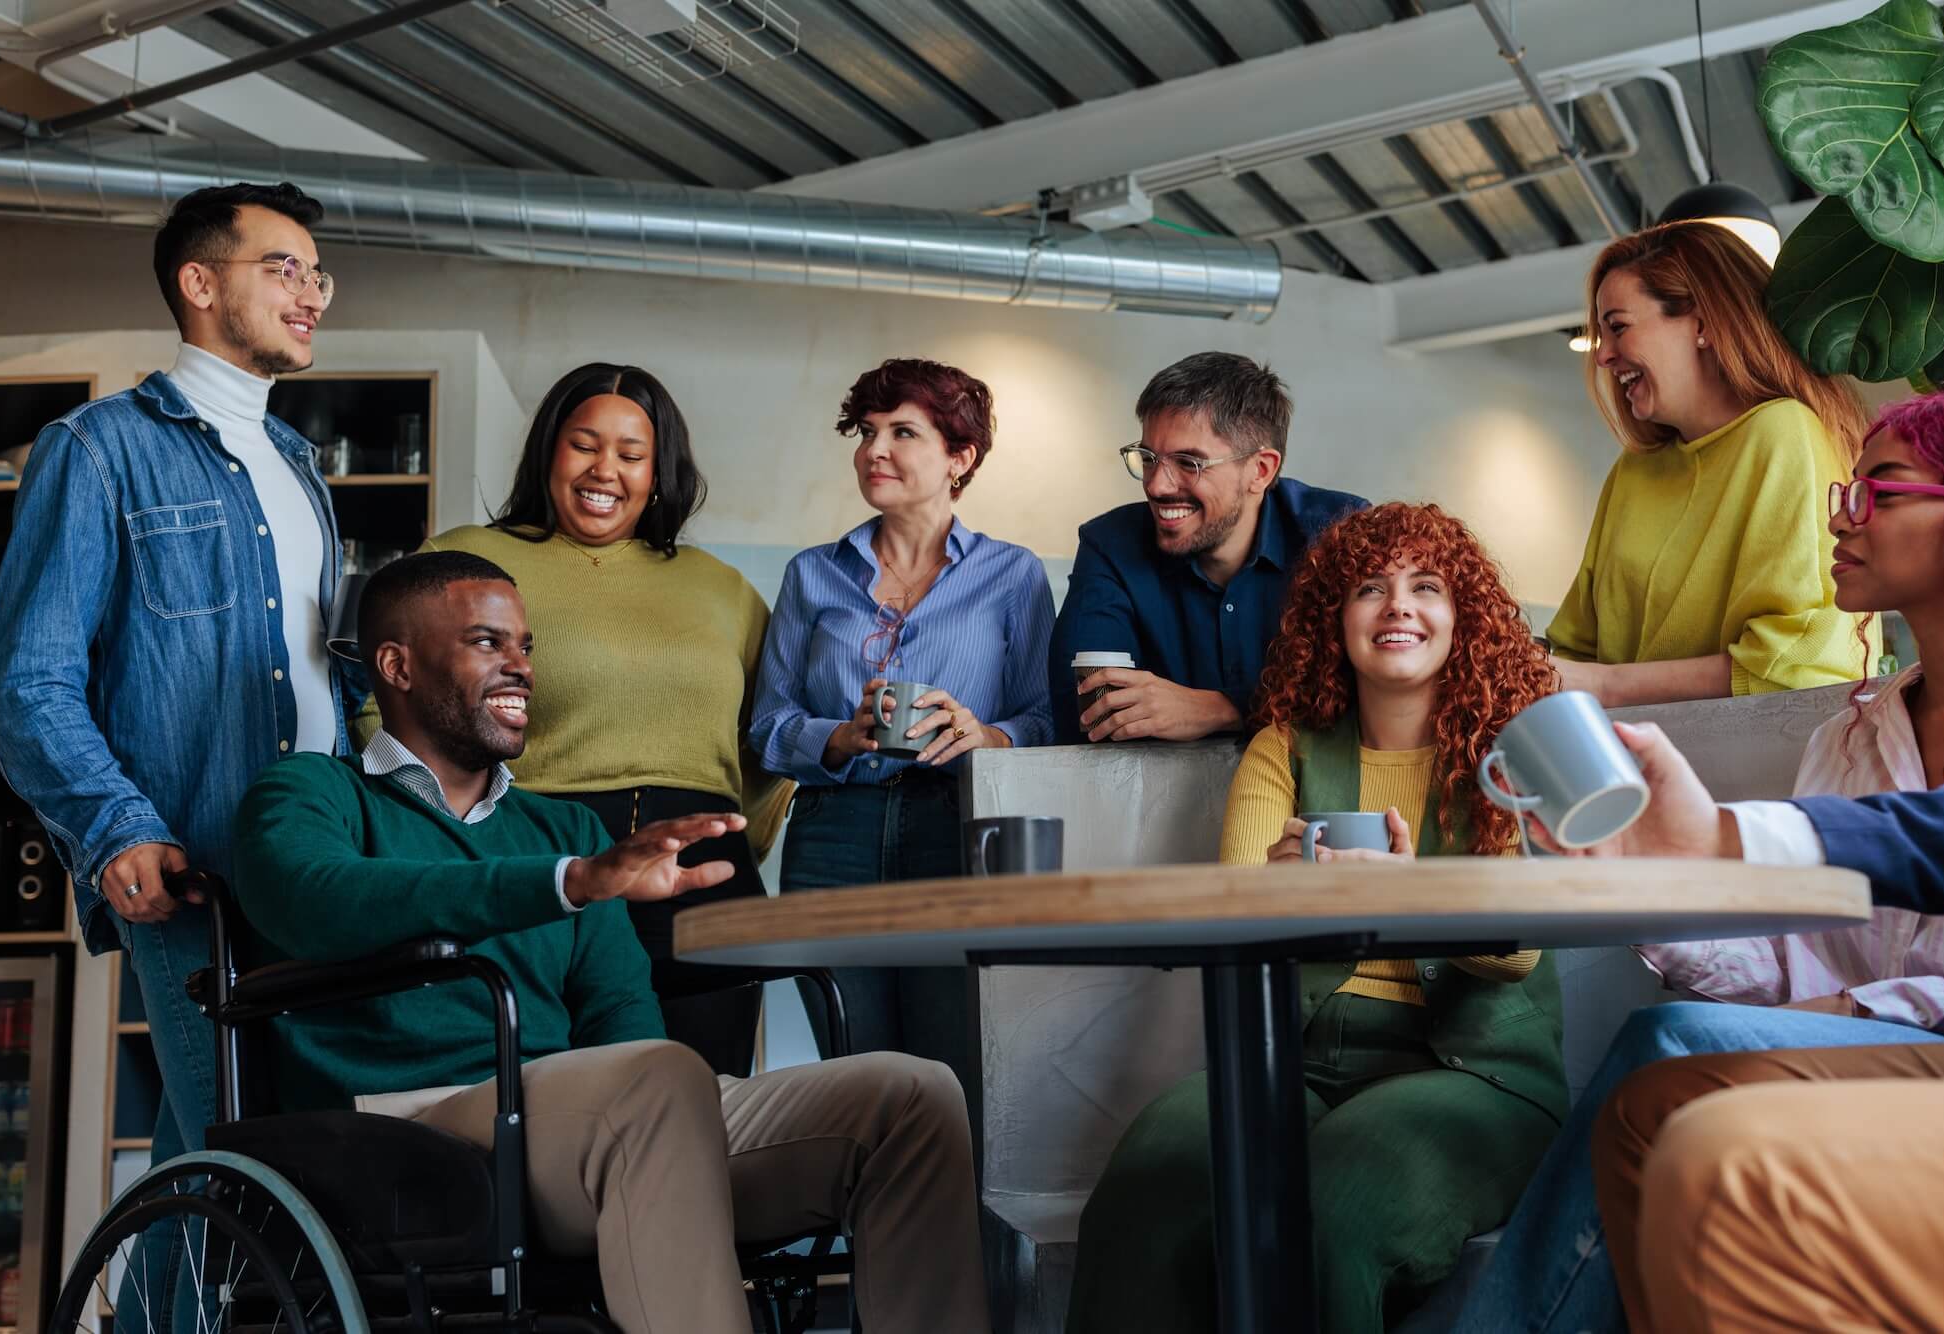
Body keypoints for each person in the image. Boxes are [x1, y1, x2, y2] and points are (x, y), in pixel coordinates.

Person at [232, 551, 990, 1333]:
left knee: (910, 1095)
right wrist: (564, 883)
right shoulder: (309, 794)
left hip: (599, 1117)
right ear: (397, 664)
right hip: (415, 1127)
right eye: (488, 644)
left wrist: (578, 886)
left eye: (526, 647)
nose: (520, 668)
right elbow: (314, 902)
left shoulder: (562, 829)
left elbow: (617, 1011)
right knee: (652, 1082)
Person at [1453, 387, 1944, 1333]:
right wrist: (1647, 883)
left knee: (1670, 1053)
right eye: (1842, 494)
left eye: (1881, 493)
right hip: (1852, 1044)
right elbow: (1787, 960)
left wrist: (1859, 1005)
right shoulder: (1852, 736)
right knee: (1676, 1058)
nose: (1842, 519)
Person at [1068, 503, 1564, 1333]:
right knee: (1145, 1186)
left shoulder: (1513, 755)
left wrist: (1404, 892)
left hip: (1479, 1073)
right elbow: (1238, 914)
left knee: (1334, 1209)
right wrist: (1281, 886)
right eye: (1371, 587)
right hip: (1298, 1061)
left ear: (1463, 617)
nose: (1399, 605)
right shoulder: (1285, 746)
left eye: (1427, 587)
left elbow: (1515, 953)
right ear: (1334, 620)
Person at [0, 182, 342, 1179]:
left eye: (319, 274)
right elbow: (25, 684)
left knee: (230, 1176)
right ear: (198, 282)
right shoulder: (94, 450)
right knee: (250, 1168)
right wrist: (117, 825)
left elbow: (327, 680)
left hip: (316, 874)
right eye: (283, 268)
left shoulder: (299, 465)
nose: (311, 291)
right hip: (195, 873)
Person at [386, 362, 788, 1075]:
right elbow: (382, 705)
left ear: (660, 472)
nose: (606, 470)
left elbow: (766, 747)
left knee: (711, 1113)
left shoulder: (723, 590)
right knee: (549, 1109)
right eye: (583, 445)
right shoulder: (466, 560)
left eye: (632, 455)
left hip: (701, 883)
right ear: (549, 451)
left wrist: (728, 838)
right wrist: (456, 837)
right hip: (539, 866)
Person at [749, 357, 1053, 1101]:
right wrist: (838, 738)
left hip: (956, 829)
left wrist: (987, 737)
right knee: (854, 1078)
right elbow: (767, 724)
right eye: (866, 431)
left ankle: (963, 1224)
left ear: (961, 457)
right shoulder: (811, 575)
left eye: (903, 432)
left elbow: (1047, 719)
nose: (873, 450)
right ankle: (868, 1223)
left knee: (953, 1076)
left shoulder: (1013, 575)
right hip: (830, 838)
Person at [1548, 221, 1877, 707]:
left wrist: (1608, 686)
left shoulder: (1783, 433)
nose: (1604, 357)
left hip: (1763, 774)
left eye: (1618, 327)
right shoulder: (1633, 471)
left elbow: (1795, 664)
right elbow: (1576, 648)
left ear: (1701, 324)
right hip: (1630, 768)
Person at [1048, 351, 1365, 744]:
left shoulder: (1340, 536)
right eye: (1148, 458)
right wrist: (1274, 707)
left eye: (1188, 463)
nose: (1156, 485)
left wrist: (1221, 709)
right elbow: (1087, 715)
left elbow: (1373, 697)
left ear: (1260, 470)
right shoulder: (1109, 546)